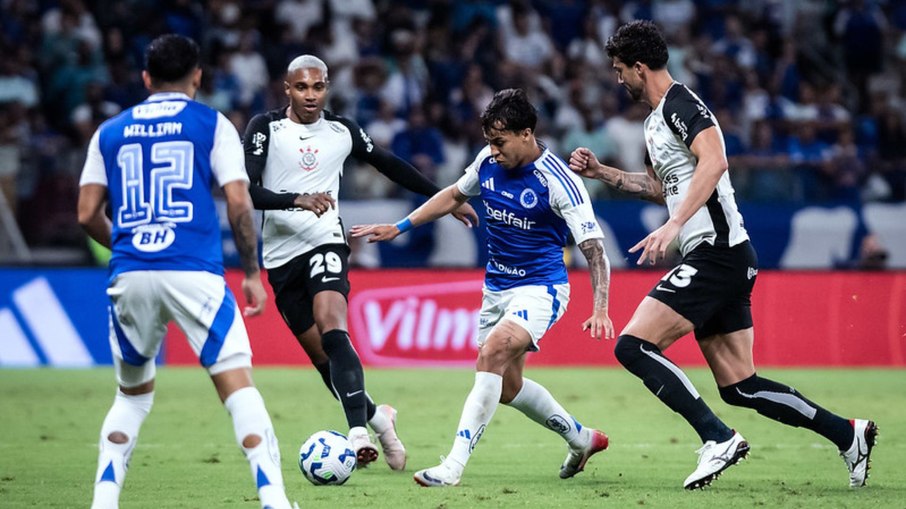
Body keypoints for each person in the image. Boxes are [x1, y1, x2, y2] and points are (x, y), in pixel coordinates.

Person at [568, 20, 877, 490]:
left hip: (718, 251)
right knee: (741, 385)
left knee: (632, 346)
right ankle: (848, 434)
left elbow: (715, 161)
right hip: (724, 256)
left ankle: (717, 438)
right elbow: (661, 188)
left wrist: (673, 226)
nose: (618, 80)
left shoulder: (682, 103)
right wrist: (602, 173)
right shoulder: (653, 122)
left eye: (619, 70)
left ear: (639, 66)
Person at [351, 88, 614, 487]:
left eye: (500, 141)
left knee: (492, 353)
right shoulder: (486, 162)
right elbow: (454, 194)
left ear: (526, 133)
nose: (493, 151)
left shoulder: (560, 182)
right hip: (496, 289)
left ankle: (452, 466)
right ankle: (581, 438)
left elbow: (594, 251)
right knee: (508, 388)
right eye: (489, 141)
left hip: (541, 288)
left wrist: (600, 308)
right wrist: (400, 226)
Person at [77, 35, 294, 509]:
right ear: (197, 76)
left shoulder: (109, 131)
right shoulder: (211, 124)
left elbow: (86, 213)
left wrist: (129, 244)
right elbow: (239, 201)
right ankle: (274, 500)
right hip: (193, 269)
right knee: (237, 387)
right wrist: (253, 272)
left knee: (132, 396)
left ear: (146, 78)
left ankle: (103, 501)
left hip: (131, 271)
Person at [242, 54, 478, 470]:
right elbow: (247, 189)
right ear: (287, 88)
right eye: (302, 87)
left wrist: (446, 199)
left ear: (327, 86)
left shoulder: (341, 130)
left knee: (333, 325)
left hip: (326, 240)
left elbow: (389, 164)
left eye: (317, 87)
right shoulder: (265, 129)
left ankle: (356, 434)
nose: (310, 95)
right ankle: (380, 420)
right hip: (280, 257)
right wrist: (296, 199)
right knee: (323, 362)